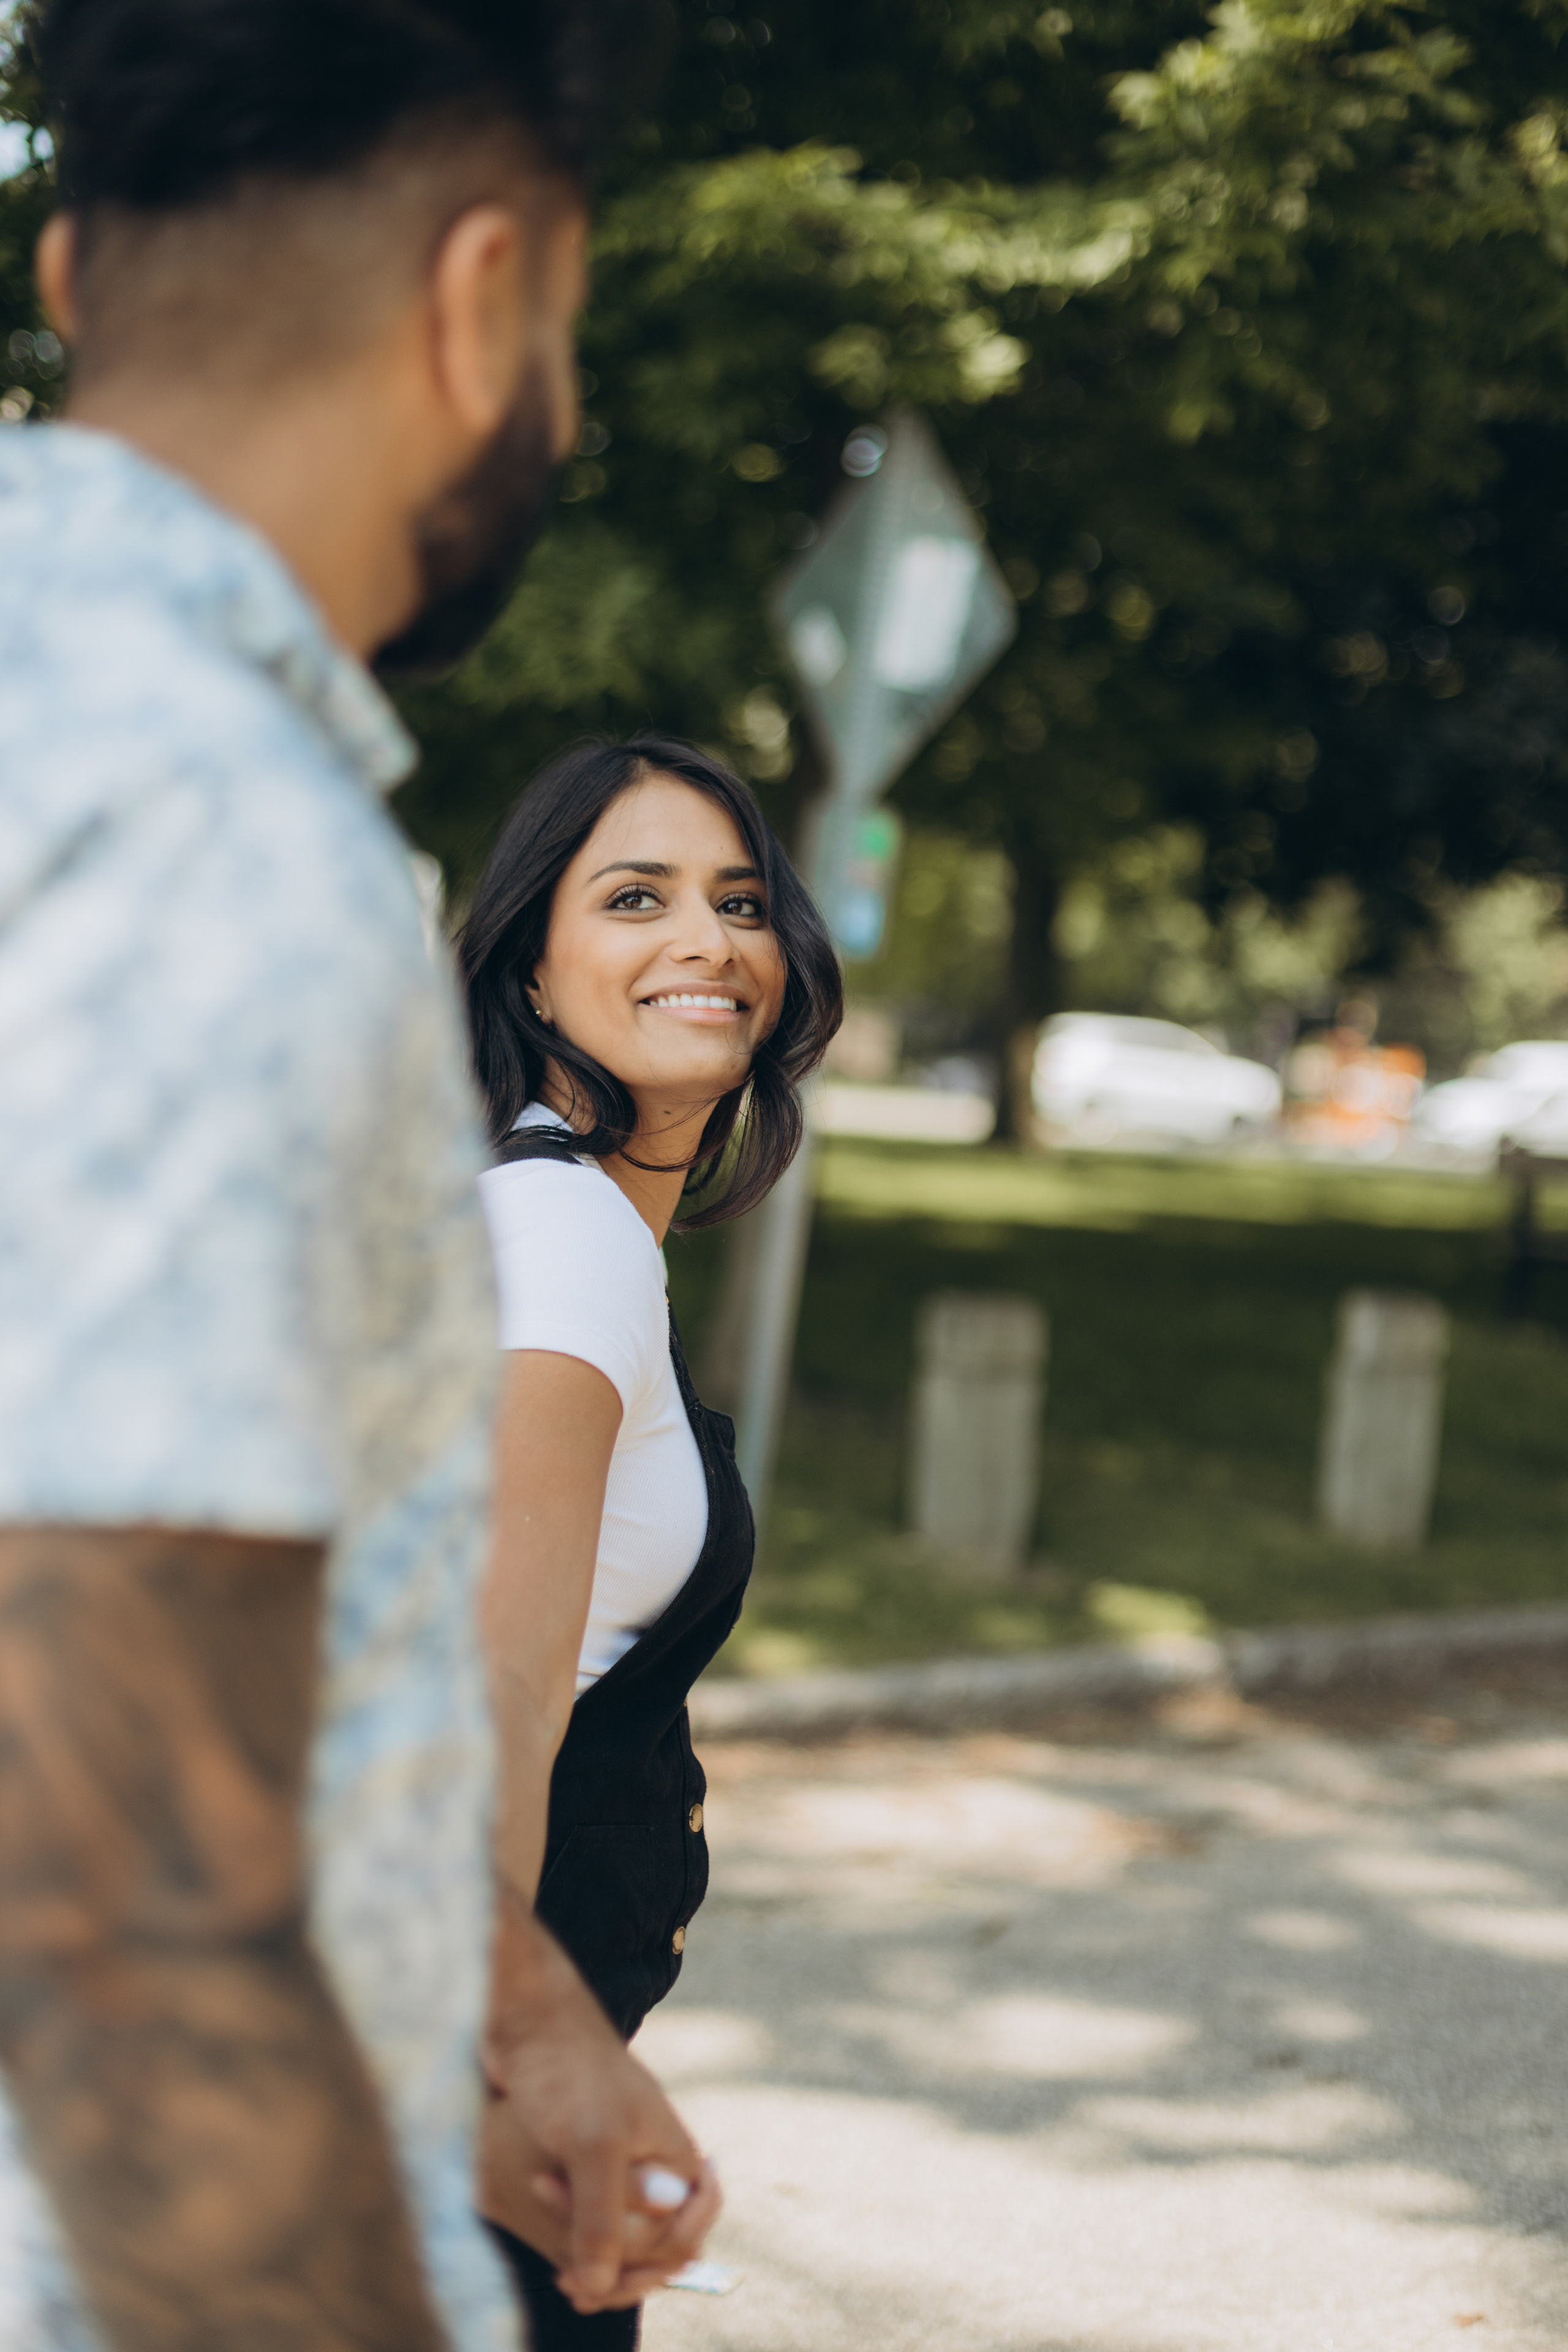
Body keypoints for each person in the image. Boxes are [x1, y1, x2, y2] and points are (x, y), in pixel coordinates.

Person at [0, 4, 717, 2346]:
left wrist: (498, 2005)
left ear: (75, 279)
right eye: (574, 336)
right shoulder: (214, 840)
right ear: (486, 294)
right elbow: (130, 1891)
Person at [459, 736, 843, 2347]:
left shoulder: (552, 1232)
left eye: (739, 899)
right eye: (637, 897)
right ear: (534, 980)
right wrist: (531, 2079)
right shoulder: (555, 1245)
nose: (708, 938)